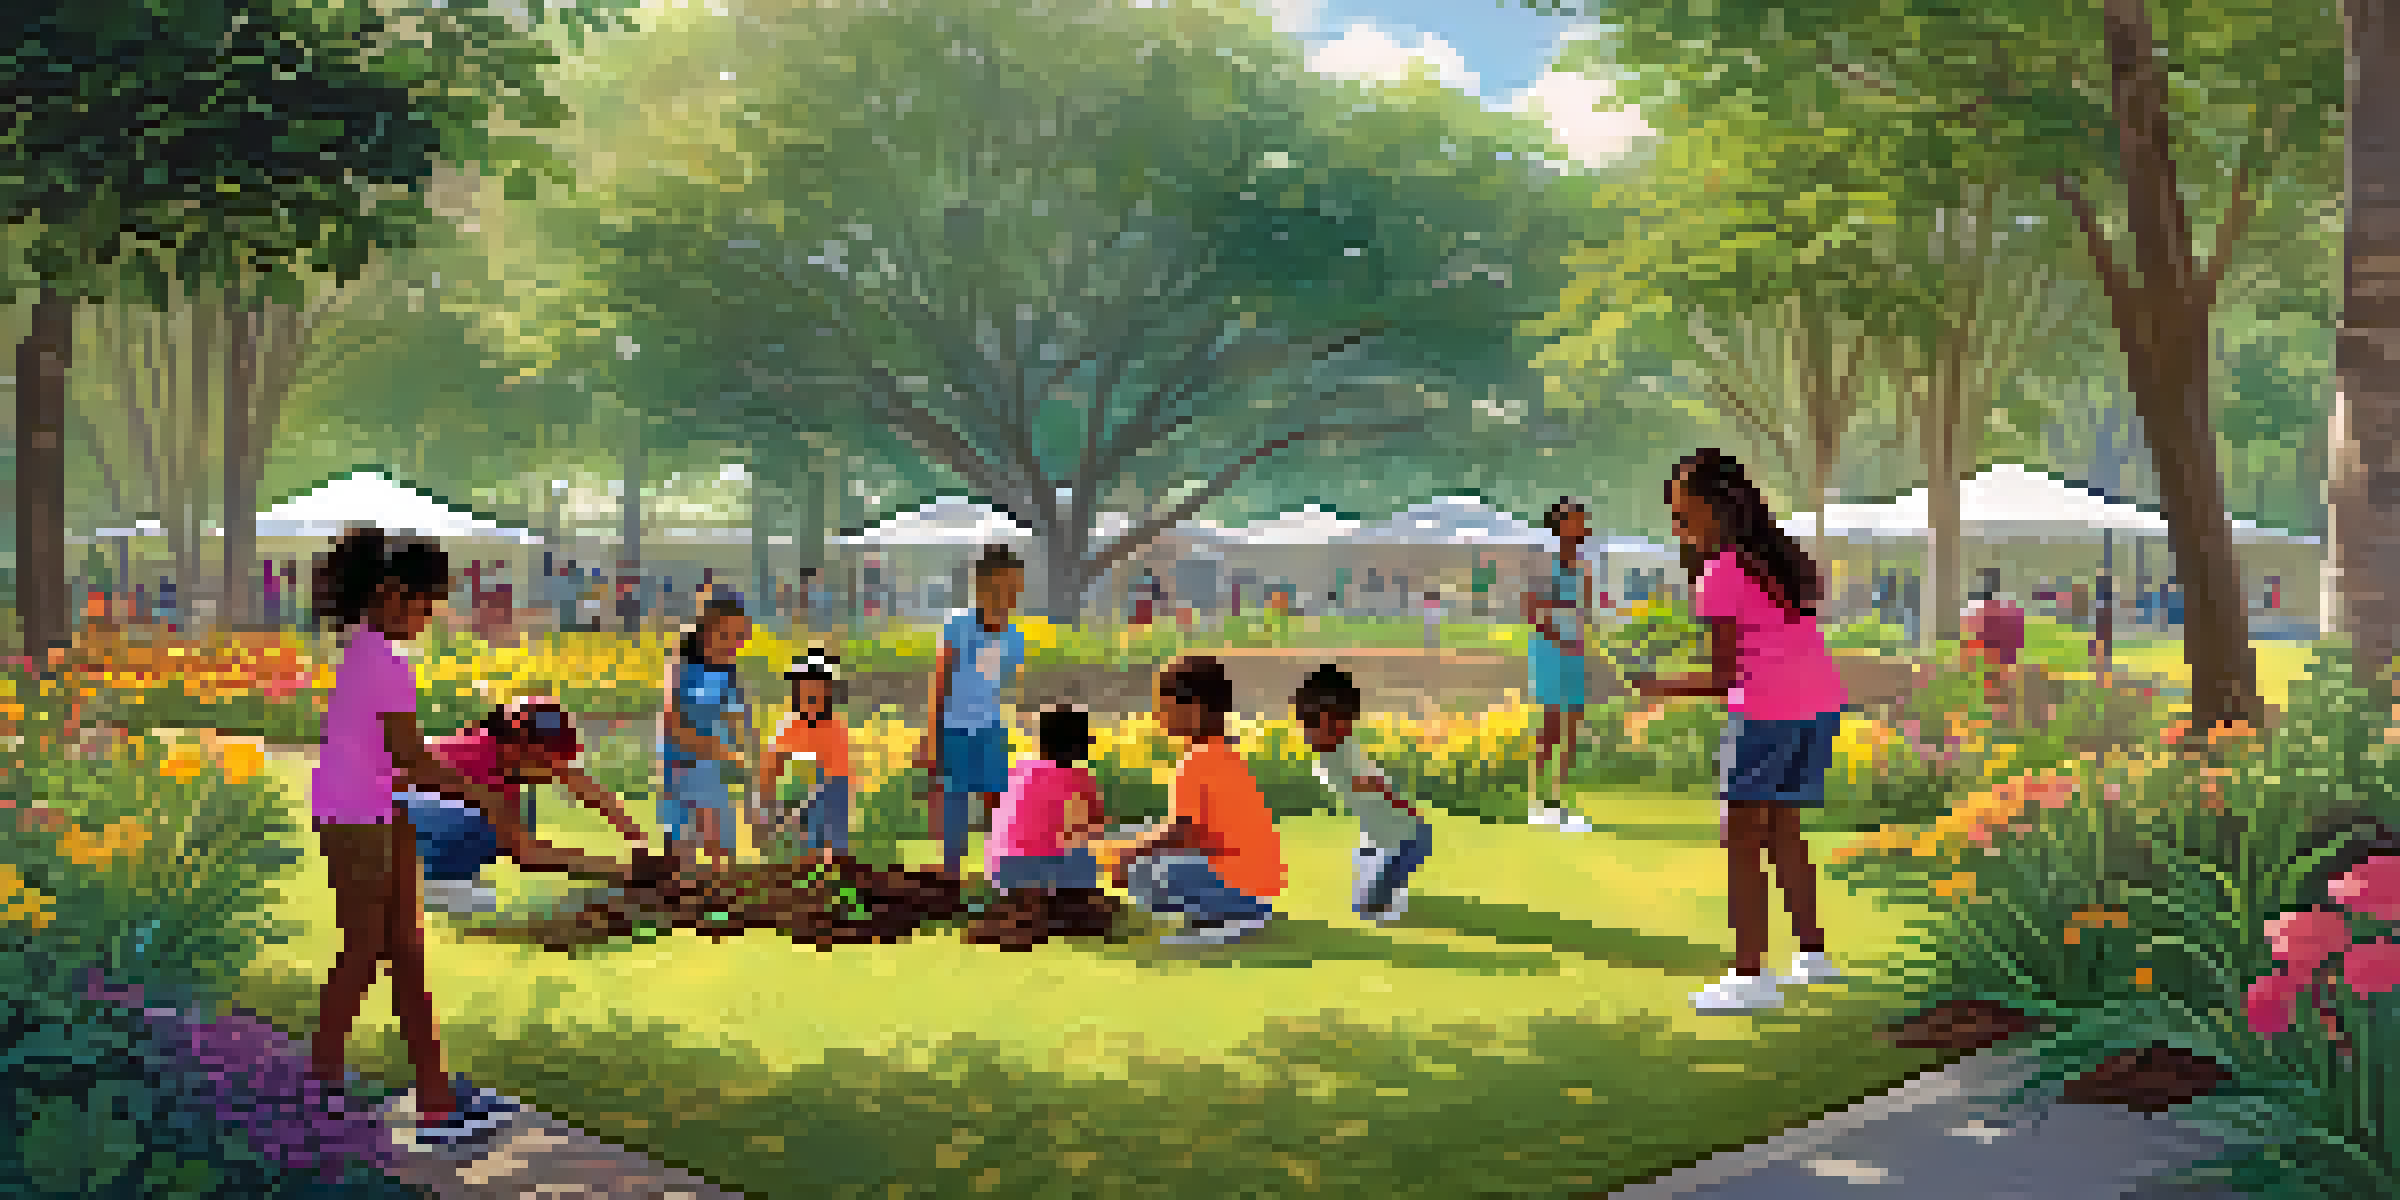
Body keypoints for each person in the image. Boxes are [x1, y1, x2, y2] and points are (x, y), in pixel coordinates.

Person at [306, 526, 643, 1151]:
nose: (427, 619)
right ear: (389, 594)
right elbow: (410, 759)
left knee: (405, 949)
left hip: (379, 814)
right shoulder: (381, 664)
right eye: (424, 606)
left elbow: (403, 763)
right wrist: (484, 797)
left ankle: (435, 1096)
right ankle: (320, 1086)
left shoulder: (372, 657)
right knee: (365, 951)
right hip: (357, 817)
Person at [1634, 449, 1849, 1015]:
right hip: (1816, 707)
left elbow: (1727, 674)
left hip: (1768, 712)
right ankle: (1813, 955)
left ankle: (1750, 974)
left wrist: (1659, 687)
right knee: (1783, 832)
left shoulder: (1723, 572)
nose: (1679, 529)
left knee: (1741, 841)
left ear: (1715, 510)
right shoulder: (1777, 560)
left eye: (1683, 517)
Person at [1091, 656, 1283, 945]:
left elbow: (1183, 833)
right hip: (1258, 887)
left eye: (1163, 708)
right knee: (1135, 839)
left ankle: (1225, 916)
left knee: (1146, 869)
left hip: (1239, 890)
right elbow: (1202, 834)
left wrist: (1127, 856)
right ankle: (1232, 909)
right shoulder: (1226, 753)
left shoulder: (1197, 762)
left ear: (1192, 710)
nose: (1158, 718)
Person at [409, 697, 652, 914]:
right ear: (520, 748)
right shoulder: (480, 765)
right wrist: (625, 871)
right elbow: (528, 853)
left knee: (520, 812)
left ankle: (448, 878)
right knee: (474, 820)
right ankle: (431, 883)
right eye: (549, 759)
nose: (556, 770)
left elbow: (580, 783)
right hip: (397, 819)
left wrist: (639, 840)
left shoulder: (503, 753)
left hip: (416, 816)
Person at [915, 546, 1028, 881]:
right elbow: (942, 681)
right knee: (955, 799)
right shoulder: (958, 625)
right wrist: (933, 732)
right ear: (980, 587)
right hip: (954, 727)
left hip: (990, 727)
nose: (1007, 596)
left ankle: (1001, 869)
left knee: (997, 798)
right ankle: (951, 872)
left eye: (1014, 589)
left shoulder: (1014, 637)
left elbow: (1004, 686)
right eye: (999, 588)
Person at [1295, 664, 1429, 924]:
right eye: (1310, 724)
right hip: (1386, 822)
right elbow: (1368, 783)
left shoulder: (1339, 749)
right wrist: (1395, 799)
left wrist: (1394, 799)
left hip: (1387, 822)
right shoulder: (1333, 753)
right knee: (1408, 849)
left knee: (1406, 850)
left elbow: (1368, 781)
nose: (1310, 731)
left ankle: (1378, 896)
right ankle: (1377, 898)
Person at [661, 597, 754, 871]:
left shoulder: (728, 673)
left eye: (739, 637)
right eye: (726, 635)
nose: (733, 644)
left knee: (722, 854)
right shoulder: (682, 668)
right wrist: (716, 749)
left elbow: (737, 722)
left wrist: (743, 760)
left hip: (710, 770)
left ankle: (722, 907)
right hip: (680, 768)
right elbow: (672, 725)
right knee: (682, 856)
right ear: (705, 632)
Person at [1524, 499, 1596, 834]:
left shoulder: (1584, 566)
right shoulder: (1543, 564)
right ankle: (1533, 801)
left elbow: (1586, 611)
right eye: (1579, 521)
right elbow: (1533, 613)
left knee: (1570, 728)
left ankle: (1557, 803)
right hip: (1551, 652)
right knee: (1551, 728)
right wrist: (1562, 640)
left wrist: (1586, 643)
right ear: (1561, 525)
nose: (1585, 526)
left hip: (1575, 653)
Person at [986, 704, 1106, 894]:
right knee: (1085, 850)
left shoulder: (1016, 771)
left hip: (1003, 872)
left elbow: (995, 807)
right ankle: (1078, 900)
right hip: (1044, 875)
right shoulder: (1081, 779)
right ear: (1079, 746)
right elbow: (1096, 827)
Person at [757, 649, 855, 857]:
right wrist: (767, 810)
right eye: (805, 686)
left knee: (829, 854)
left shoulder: (837, 728)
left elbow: (841, 782)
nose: (812, 692)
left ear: (829, 691)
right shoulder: (787, 727)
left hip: (829, 798)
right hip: (794, 801)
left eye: (819, 687)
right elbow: (771, 770)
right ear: (796, 690)